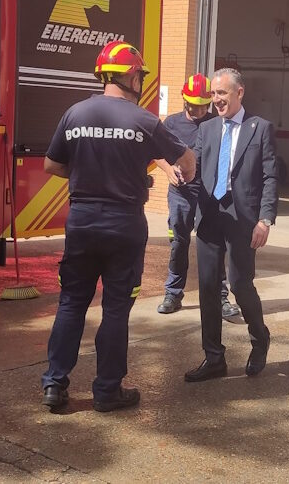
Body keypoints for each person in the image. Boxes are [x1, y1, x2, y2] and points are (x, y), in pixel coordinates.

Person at [40, 41, 195, 413]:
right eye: (139, 74)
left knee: (71, 304)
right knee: (114, 309)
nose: (140, 80)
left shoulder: (74, 114)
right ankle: (107, 391)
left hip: (81, 221)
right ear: (128, 75)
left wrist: (86, 173)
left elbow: (51, 166)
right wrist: (180, 174)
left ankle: (54, 386)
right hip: (124, 223)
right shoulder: (143, 120)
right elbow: (185, 158)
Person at [184, 68, 278, 382]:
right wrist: (180, 173)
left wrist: (264, 220)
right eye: (213, 94)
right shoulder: (207, 128)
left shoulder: (260, 128)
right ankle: (213, 358)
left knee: (240, 285)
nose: (216, 100)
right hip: (210, 217)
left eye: (222, 93)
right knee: (208, 288)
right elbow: (194, 168)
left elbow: (269, 177)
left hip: (243, 220)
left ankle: (259, 337)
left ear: (240, 92)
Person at [154, 73, 237, 320]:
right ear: (184, 100)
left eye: (203, 106)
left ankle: (220, 297)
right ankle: (173, 294)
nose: (198, 110)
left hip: (208, 194)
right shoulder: (171, 124)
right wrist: (169, 170)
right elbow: (156, 151)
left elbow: (226, 159)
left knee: (214, 244)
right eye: (193, 105)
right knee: (179, 243)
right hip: (180, 193)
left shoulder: (218, 124)